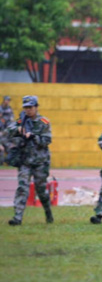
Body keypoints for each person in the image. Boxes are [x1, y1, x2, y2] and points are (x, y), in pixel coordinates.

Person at [7, 96, 53, 226]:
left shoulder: (44, 122)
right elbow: (9, 130)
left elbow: (47, 140)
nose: (28, 110)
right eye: (26, 107)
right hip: (25, 161)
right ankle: (17, 217)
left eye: (30, 107)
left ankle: (48, 211)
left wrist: (34, 137)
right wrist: (18, 130)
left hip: (40, 162)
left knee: (41, 190)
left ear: (36, 107)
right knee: (22, 188)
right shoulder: (21, 121)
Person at [0, 96, 14, 164]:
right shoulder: (1, 108)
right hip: (1, 132)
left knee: (9, 147)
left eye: (8, 100)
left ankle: (8, 161)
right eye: (6, 100)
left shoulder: (9, 108)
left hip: (6, 132)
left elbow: (12, 118)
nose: (7, 101)